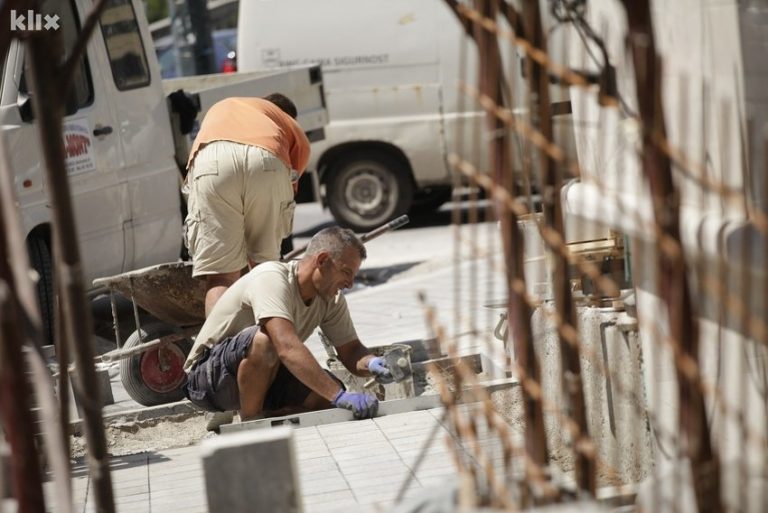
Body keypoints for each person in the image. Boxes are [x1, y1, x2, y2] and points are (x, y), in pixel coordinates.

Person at [183, 227, 394, 429]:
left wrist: (372, 363)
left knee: (326, 395)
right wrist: (339, 397)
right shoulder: (272, 277)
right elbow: (285, 346)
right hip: (209, 378)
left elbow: (351, 350)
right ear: (322, 261)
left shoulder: (331, 299)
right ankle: (251, 423)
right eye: (346, 272)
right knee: (268, 340)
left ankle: (271, 418)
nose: (349, 283)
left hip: (264, 374)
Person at [184, 93, 310, 316]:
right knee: (264, 271)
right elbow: (290, 188)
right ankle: (269, 341)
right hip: (266, 158)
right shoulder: (288, 122)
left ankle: (220, 347)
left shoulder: (225, 106)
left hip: (211, 162)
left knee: (221, 276)